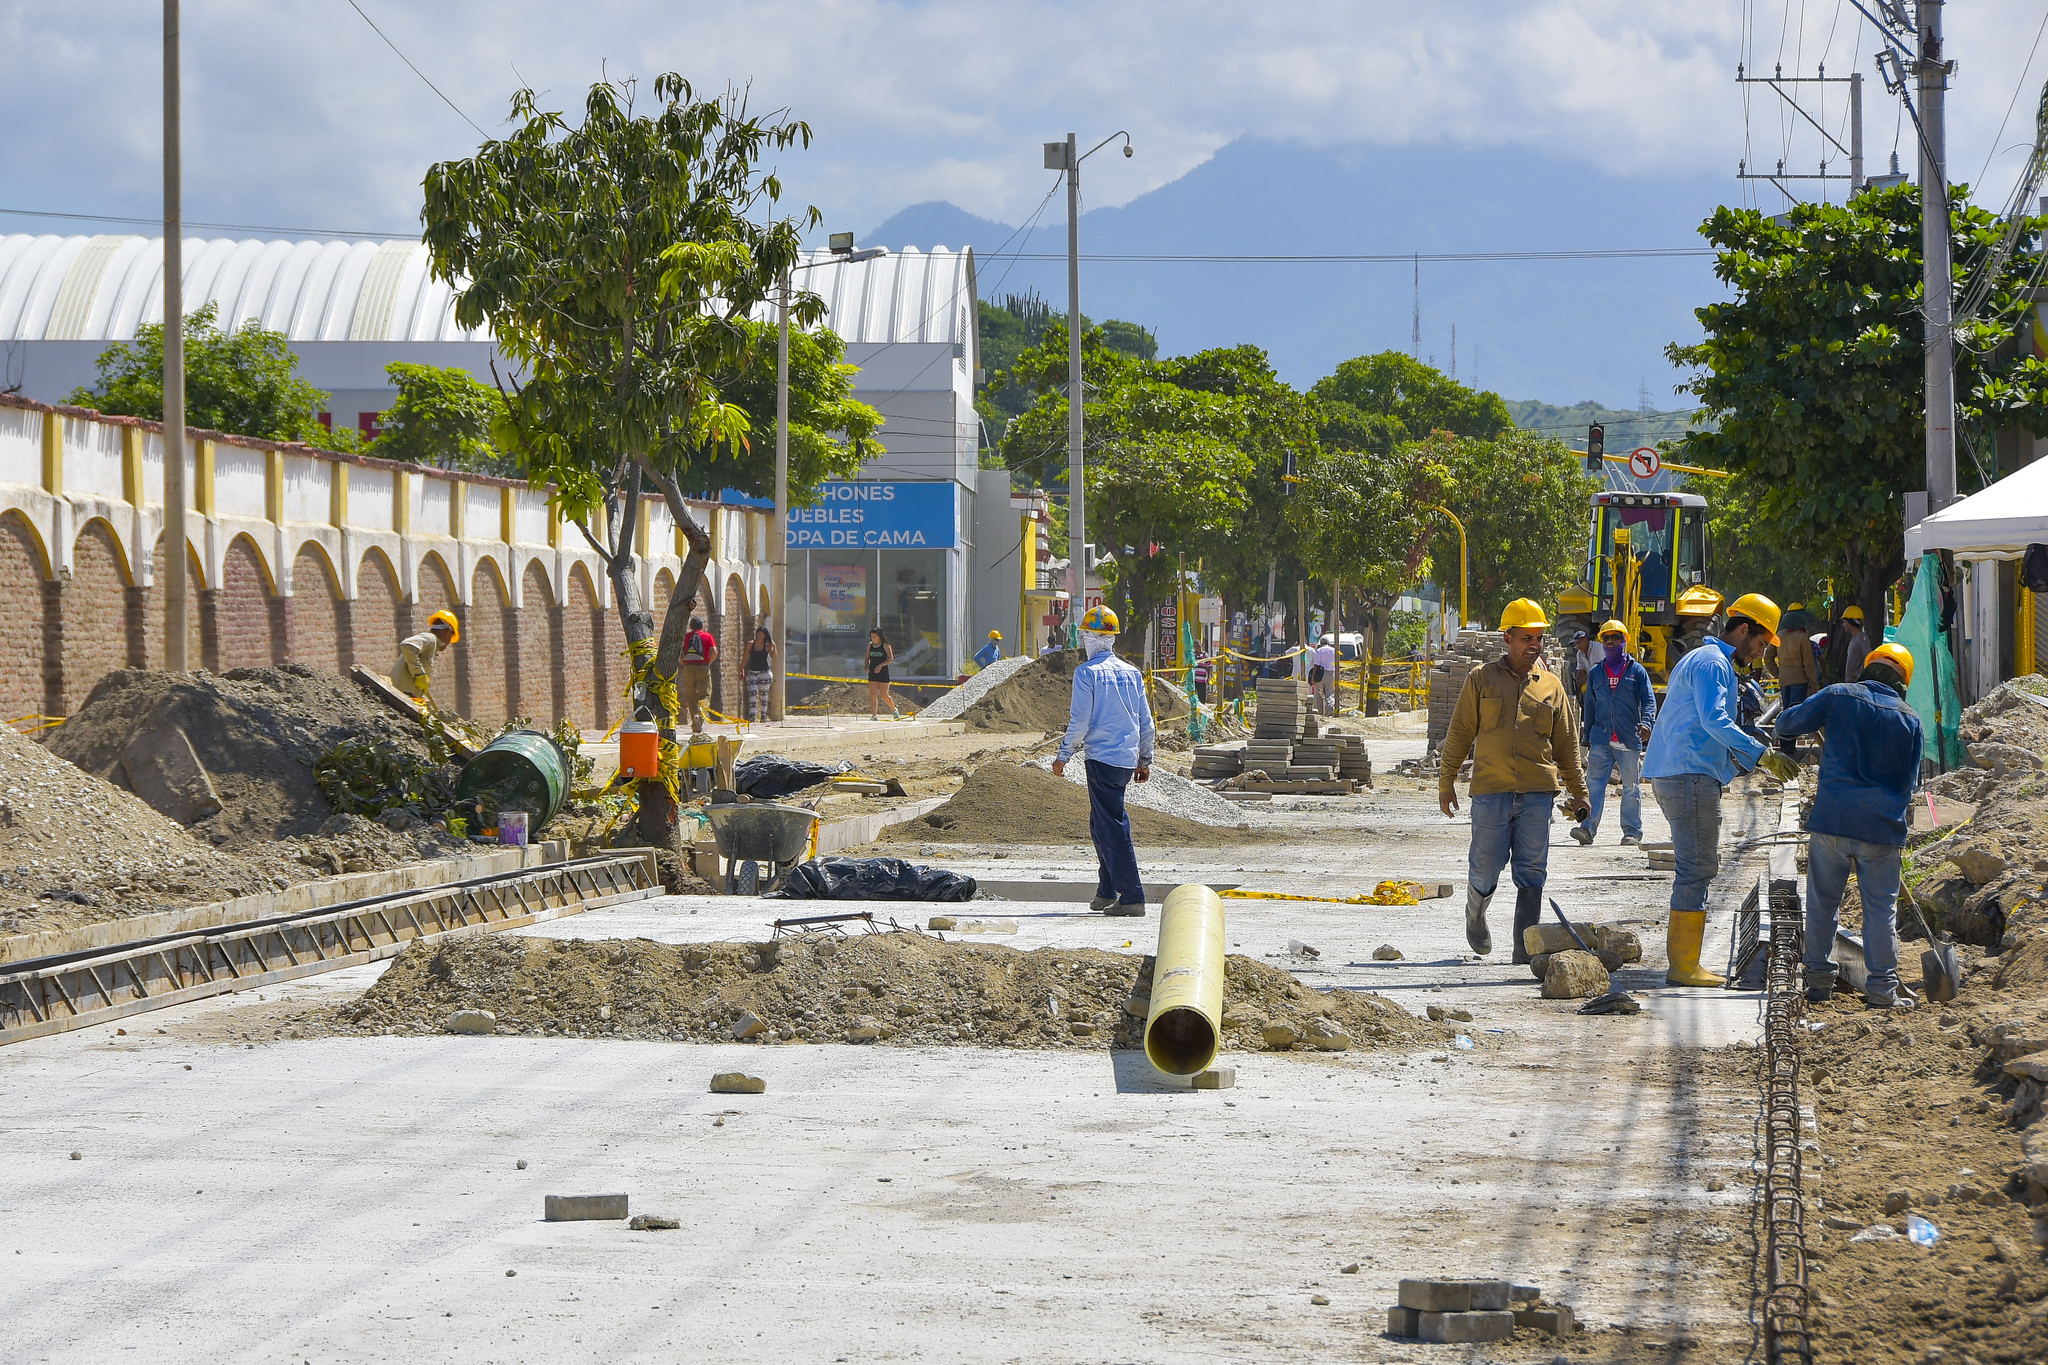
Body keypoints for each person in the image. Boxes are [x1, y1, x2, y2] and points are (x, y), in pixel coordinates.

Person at [1439, 599, 1592, 963]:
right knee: (1485, 866)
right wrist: (1446, 782)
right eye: (1527, 638)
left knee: (1532, 870)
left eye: (1538, 638)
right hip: (1491, 791)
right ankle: (1476, 914)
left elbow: (1567, 746)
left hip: (1537, 793)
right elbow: (1459, 733)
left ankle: (1524, 949)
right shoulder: (1481, 679)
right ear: (1507, 638)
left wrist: (1580, 793)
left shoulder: (1551, 687)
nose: (1534, 645)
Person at [1641, 593, 1781, 988]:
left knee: (1695, 866)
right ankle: (1684, 965)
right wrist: (1760, 753)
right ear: (1743, 630)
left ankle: (1685, 962)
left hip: (1683, 773)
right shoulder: (1714, 663)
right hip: (1689, 775)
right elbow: (1714, 719)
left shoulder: (1704, 660)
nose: (1761, 653)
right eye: (1761, 643)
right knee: (1697, 867)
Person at [1777, 643, 1924, 1011]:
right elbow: (1911, 784)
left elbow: (1785, 725)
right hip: (1882, 831)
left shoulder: (1839, 695)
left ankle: (1818, 983)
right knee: (1880, 912)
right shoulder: (1910, 719)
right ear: (1904, 682)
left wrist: (1819, 713)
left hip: (1833, 821)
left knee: (1823, 904)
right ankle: (1882, 991)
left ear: (1868, 668)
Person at [1051, 604, 1157, 916]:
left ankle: (1132, 895)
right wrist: (1144, 759)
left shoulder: (1086, 673)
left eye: (1084, 636)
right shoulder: (1132, 673)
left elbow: (1080, 721)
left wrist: (1063, 755)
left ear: (1089, 638)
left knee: (1112, 825)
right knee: (1100, 823)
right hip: (1125, 759)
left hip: (1101, 759)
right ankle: (1107, 889)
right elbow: (1146, 722)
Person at [1571, 619, 1656, 847]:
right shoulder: (1596, 673)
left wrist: (1647, 723)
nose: (1610, 642)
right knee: (1594, 785)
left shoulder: (1636, 671)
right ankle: (1587, 828)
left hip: (1628, 738)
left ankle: (1632, 831)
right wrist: (1586, 736)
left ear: (1624, 641)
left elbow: (1649, 701)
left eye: (1615, 638)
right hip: (1601, 738)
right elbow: (1590, 706)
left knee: (1630, 787)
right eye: (1606, 638)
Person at [1774, 603, 1820, 756]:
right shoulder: (1802, 637)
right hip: (1799, 680)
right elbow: (1808, 662)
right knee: (1794, 713)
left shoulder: (1779, 635)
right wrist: (1813, 682)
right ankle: (1790, 748)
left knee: (1786, 711)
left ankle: (1784, 746)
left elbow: (1767, 658)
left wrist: (1778, 673)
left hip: (1784, 680)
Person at [391, 611, 460, 702]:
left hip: (404, 698)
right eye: (451, 637)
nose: (449, 642)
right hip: (398, 698)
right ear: (448, 631)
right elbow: (407, 645)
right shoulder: (430, 639)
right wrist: (419, 674)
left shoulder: (431, 645)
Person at [680, 615, 717, 732]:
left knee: (691, 695)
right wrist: (708, 662)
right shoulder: (707, 636)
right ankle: (700, 717)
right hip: (703, 667)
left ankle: (693, 718)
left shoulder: (686, 637)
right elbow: (714, 652)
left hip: (688, 668)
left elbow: (680, 653)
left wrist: (684, 663)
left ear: (690, 626)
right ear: (702, 626)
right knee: (704, 694)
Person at [743, 625, 775, 724]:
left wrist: (773, 647)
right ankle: (752, 716)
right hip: (752, 672)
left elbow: (774, 657)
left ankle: (763, 715)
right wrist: (740, 668)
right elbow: (745, 657)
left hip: (764, 673)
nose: (760, 637)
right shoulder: (751, 644)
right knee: (752, 693)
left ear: (765, 636)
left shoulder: (767, 645)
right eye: (758, 635)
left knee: (763, 694)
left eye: (762, 635)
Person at [866, 628, 899, 719]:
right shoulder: (870, 645)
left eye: (874, 636)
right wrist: (866, 665)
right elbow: (867, 657)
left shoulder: (885, 645)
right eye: (871, 636)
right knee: (873, 694)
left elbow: (890, 658)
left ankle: (894, 709)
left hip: (883, 673)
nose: (873, 638)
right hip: (872, 672)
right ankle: (874, 716)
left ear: (879, 637)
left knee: (884, 694)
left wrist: (880, 665)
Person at [1838, 605, 1869, 683]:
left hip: (1856, 684)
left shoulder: (1862, 638)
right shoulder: (1854, 638)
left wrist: (1859, 673)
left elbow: (1868, 657)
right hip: (1850, 682)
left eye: (1844, 622)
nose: (1843, 625)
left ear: (1850, 622)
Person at [1309, 634, 1338, 714]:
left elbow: (1316, 664)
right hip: (1331, 674)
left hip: (1320, 674)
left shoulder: (1319, 651)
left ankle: (1319, 713)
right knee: (1330, 694)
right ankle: (1331, 711)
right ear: (1328, 643)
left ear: (1321, 643)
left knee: (1318, 695)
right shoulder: (1334, 650)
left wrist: (1313, 677)